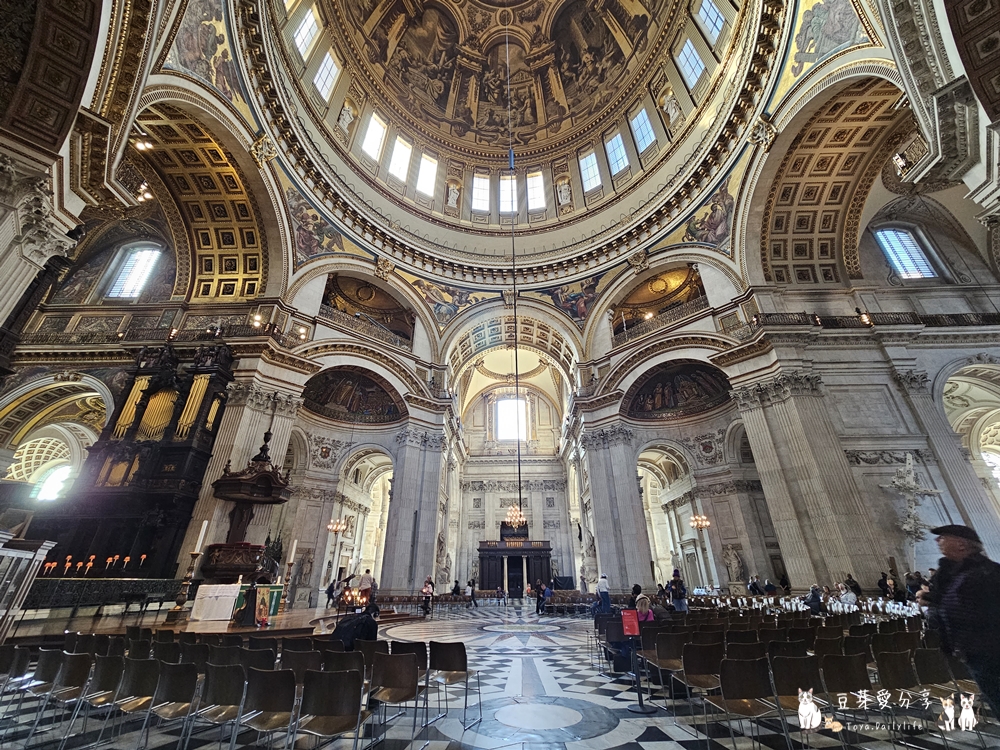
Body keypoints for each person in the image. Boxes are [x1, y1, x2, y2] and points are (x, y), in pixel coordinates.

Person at [918, 524, 1000, 718]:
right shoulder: (952, 573)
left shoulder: (987, 573)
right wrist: (934, 599)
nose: (938, 541)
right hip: (972, 650)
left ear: (962, 544)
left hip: (989, 650)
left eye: (943, 537)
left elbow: (978, 608)